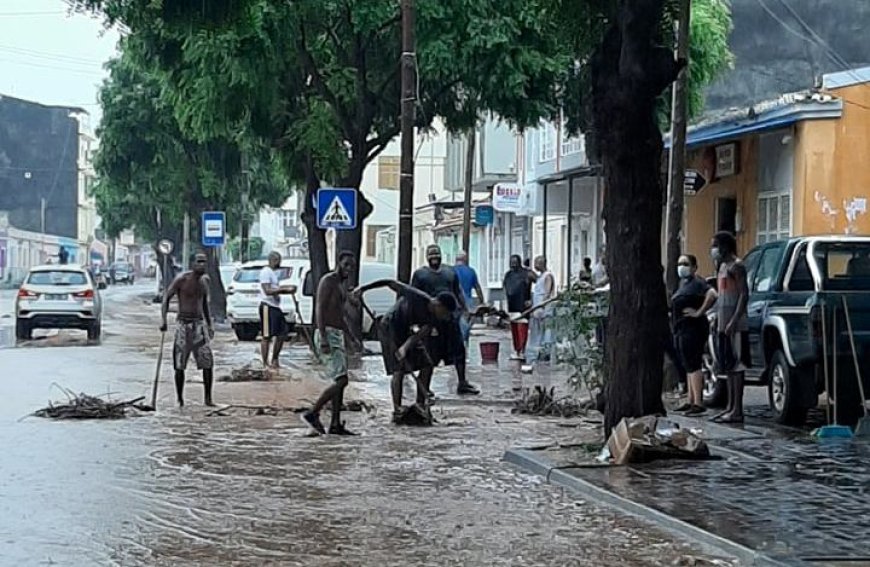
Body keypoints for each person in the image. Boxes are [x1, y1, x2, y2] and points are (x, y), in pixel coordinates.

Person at [353, 279, 456, 420]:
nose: (444, 317)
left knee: (427, 365)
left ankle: (421, 403)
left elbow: (418, 336)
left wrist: (405, 347)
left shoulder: (434, 319)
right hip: (390, 327)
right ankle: (397, 409)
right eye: (445, 313)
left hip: (407, 332)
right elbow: (390, 282)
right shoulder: (418, 296)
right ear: (439, 305)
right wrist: (363, 288)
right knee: (399, 369)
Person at [411, 245, 480, 395]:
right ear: (426, 257)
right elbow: (413, 297)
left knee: (459, 351)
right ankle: (424, 388)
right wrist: (417, 319)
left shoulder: (450, 272)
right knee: (429, 356)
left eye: (437, 253)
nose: (434, 256)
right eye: (431, 254)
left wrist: (466, 309)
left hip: (450, 320)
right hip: (431, 322)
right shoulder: (420, 275)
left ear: (441, 255)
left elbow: (458, 291)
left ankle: (462, 383)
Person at [302, 251, 357, 436]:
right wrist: (323, 337)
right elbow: (320, 308)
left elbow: (340, 315)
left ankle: (335, 423)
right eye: (346, 265)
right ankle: (313, 412)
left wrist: (351, 336)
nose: (349, 269)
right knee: (342, 380)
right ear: (339, 263)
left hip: (338, 334)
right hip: (327, 334)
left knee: (339, 380)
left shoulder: (342, 285)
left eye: (352, 266)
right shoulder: (328, 281)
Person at [160, 252, 215, 407]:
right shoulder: (181, 280)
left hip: (199, 325)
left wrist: (210, 325)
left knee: (207, 363)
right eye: (199, 262)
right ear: (192, 264)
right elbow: (166, 299)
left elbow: (204, 305)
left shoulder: (204, 282)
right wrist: (164, 320)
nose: (202, 265)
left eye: (204, 262)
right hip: (183, 325)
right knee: (179, 364)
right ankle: (180, 399)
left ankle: (208, 399)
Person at [710, 231, 749, 424]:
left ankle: (737, 409)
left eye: (715, 245)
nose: (714, 250)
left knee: (737, 366)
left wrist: (734, 320)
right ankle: (730, 407)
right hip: (723, 322)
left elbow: (743, 294)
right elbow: (721, 295)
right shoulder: (722, 267)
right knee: (729, 367)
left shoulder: (737, 267)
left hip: (736, 324)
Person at [671, 255, 718, 416]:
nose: (682, 267)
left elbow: (713, 294)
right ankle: (691, 400)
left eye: (685, 264)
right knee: (687, 364)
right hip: (681, 329)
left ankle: (698, 402)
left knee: (693, 363)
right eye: (680, 264)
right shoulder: (684, 285)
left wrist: (698, 313)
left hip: (693, 329)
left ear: (694, 267)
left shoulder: (698, 283)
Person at [259, 252, 295, 370]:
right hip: (267, 306)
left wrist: (286, 290)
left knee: (282, 333)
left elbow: (274, 289)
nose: (280, 263)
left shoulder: (273, 274)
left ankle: (275, 359)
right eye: (278, 260)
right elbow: (267, 291)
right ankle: (265, 362)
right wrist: (284, 289)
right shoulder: (265, 272)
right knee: (266, 335)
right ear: (273, 260)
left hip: (275, 307)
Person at [522, 256, 556, 374]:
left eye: (537, 263)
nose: (535, 265)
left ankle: (545, 353)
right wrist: (532, 303)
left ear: (542, 263)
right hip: (537, 308)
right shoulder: (540, 277)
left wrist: (541, 306)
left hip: (544, 309)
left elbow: (546, 293)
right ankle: (539, 352)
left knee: (546, 331)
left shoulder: (548, 276)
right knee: (538, 332)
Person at [503, 255, 533, 360]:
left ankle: (522, 351)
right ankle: (517, 350)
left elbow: (538, 283)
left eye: (515, 262)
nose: (513, 264)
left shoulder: (526, 273)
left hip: (523, 306)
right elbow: (506, 288)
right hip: (512, 306)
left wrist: (531, 300)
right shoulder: (508, 275)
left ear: (519, 262)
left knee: (522, 329)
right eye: (511, 262)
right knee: (514, 330)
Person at [453, 251, 486, 345]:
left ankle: (458, 344)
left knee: (456, 325)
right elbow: (477, 287)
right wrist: (481, 301)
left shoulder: (451, 271)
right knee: (466, 325)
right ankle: (465, 343)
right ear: (465, 259)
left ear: (456, 260)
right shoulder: (471, 271)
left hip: (455, 302)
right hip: (468, 302)